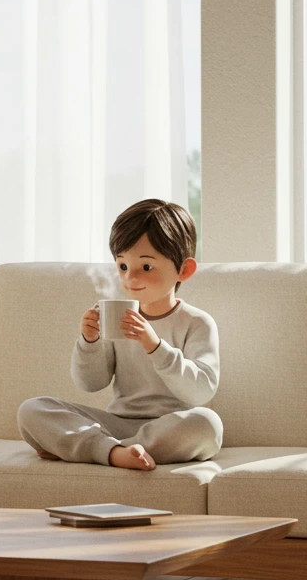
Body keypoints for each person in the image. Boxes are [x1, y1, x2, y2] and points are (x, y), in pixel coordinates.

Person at [17, 198, 223, 472]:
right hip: (115, 421)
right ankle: (115, 451)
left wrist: (154, 346)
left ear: (184, 270)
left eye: (146, 267)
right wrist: (89, 342)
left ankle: (99, 448)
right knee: (32, 410)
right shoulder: (115, 315)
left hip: (170, 424)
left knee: (207, 425)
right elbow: (91, 383)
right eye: (123, 266)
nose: (130, 278)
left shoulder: (198, 323)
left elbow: (200, 392)